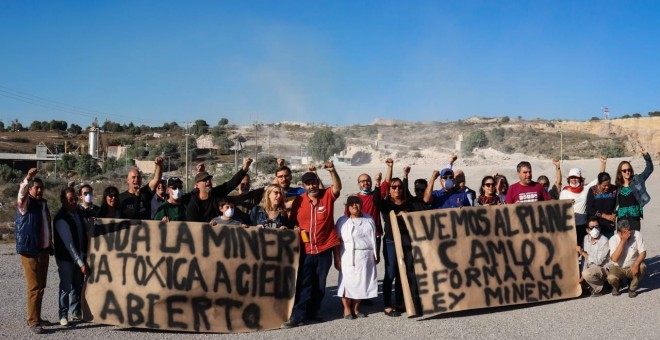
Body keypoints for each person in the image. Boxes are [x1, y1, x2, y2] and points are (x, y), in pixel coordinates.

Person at [282, 161, 341, 328]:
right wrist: (295, 228)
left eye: (314, 182)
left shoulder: (326, 196)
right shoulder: (299, 201)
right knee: (304, 283)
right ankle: (298, 315)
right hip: (306, 250)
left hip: (324, 249)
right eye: (308, 184)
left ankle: (313, 312)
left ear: (317, 182)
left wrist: (332, 171)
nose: (312, 186)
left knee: (320, 284)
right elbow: (292, 220)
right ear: (304, 186)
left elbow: (337, 187)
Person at [15, 168, 53, 334]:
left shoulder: (43, 205)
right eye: (35, 188)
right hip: (30, 251)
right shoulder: (25, 204)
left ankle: (37, 316)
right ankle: (33, 321)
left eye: (41, 188)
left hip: (43, 251)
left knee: (41, 286)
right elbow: (21, 193)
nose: (39, 190)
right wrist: (27, 178)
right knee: (34, 287)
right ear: (30, 189)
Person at [336, 196, 378, 319]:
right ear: (347, 207)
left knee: (362, 282)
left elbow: (373, 238)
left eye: (357, 203)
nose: (355, 205)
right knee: (346, 282)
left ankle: (356, 308)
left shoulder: (369, 219)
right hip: (348, 256)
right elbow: (336, 241)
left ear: (361, 205)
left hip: (366, 256)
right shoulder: (342, 221)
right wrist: (337, 258)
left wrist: (376, 254)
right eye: (351, 204)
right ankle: (347, 309)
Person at [53, 187, 90, 326]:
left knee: (77, 285)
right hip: (66, 258)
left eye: (75, 199)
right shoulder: (61, 218)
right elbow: (69, 245)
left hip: (78, 255)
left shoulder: (77, 214)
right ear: (63, 201)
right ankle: (63, 314)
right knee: (65, 286)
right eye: (70, 200)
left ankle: (75, 312)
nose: (74, 202)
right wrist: (81, 263)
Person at [186, 158, 253, 222]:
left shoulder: (216, 193)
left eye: (209, 179)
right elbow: (193, 225)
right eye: (204, 180)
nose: (208, 181)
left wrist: (245, 168)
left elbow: (232, 183)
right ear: (197, 185)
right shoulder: (193, 203)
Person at [559, 157, 605, 244]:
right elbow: (559, 207)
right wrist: (567, 204)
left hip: (583, 225)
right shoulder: (564, 192)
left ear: (580, 178)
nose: (574, 179)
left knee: (582, 247)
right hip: (570, 226)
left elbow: (599, 179)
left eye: (576, 177)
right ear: (569, 179)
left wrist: (603, 164)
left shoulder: (585, 188)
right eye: (572, 177)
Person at [615, 147, 653, 231]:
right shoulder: (617, 186)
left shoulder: (638, 180)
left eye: (629, 169)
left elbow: (649, 169)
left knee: (635, 242)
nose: (627, 172)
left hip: (634, 219)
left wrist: (646, 156)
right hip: (621, 220)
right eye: (624, 170)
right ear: (620, 172)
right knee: (622, 243)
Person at [607, 219, 646, 298]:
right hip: (618, 267)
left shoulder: (637, 234)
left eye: (629, 230)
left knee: (642, 267)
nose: (628, 233)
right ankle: (616, 287)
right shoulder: (613, 239)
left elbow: (643, 253)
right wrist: (623, 241)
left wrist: (636, 264)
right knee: (611, 278)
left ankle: (632, 289)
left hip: (631, 266)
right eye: (625, 232)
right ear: (619, 232)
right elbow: (614, 259)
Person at [576, 217, 610, 297]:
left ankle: (601, 287)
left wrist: (582, 252)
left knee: (586, 273)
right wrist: (581, 277)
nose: (595, 230)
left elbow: (599, 262)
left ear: (600, 228)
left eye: (597, 227)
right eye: (592, 228)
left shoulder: (604, 240)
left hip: (602, 269)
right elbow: (584, 260)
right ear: (587, 230)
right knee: (577, 272)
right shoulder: (585, 238)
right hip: (590, 268)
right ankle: (589, 286)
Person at [586, 172, 618, 238]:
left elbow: (618, 205)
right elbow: (589, 209)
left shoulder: (614, 189)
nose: (607, 187)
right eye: (604, 185)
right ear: (599, 183)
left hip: (609, 226)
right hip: (596, 227)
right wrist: (605, 216)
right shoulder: (593, 191)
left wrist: (615, 214)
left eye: (608, 185)